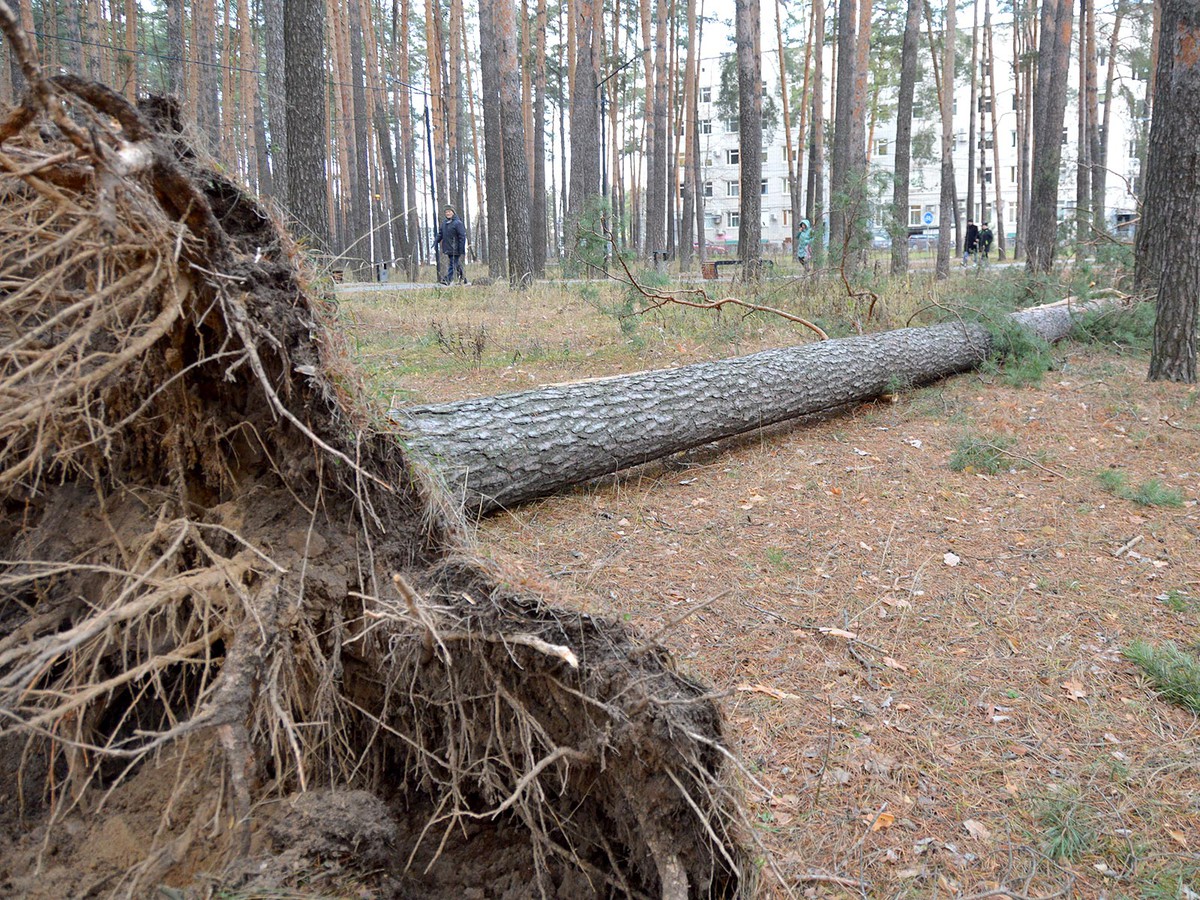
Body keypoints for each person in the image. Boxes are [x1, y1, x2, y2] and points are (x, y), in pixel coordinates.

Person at [435, 206, 468, 285]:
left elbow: (462, 236)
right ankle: (463, 279)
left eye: (449, 212)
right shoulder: (444, 223)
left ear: (453, 212)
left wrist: (461, 248)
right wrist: (436, 241)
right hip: (448, 247)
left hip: (455, 248)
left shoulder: (458, 223)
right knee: (455, 264)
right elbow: (440, 233)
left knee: (452, 264)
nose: (448, 213)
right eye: (446, 212)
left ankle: (448, 280)